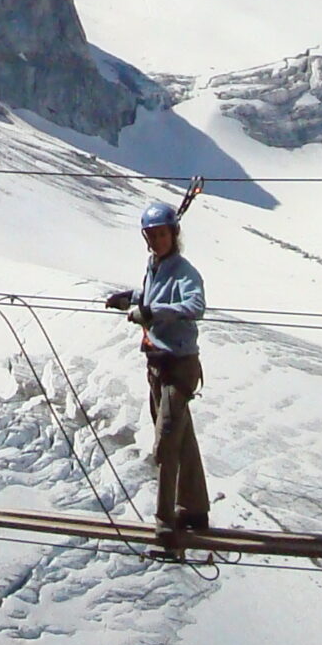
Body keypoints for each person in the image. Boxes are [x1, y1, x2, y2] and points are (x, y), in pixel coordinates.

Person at [106, 186, 208, 545]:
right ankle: (195, 509)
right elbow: (151, 296)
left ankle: (166, 523)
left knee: (166, 442)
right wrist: (129, 299)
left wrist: (153, 312)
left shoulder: (184, 271)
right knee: (181, 436)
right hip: (158, 364)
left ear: (173, 235)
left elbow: (195, 306)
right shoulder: (156, 267)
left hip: (177, 366)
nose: (156, 241)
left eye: (161, 234)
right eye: (151, 236)